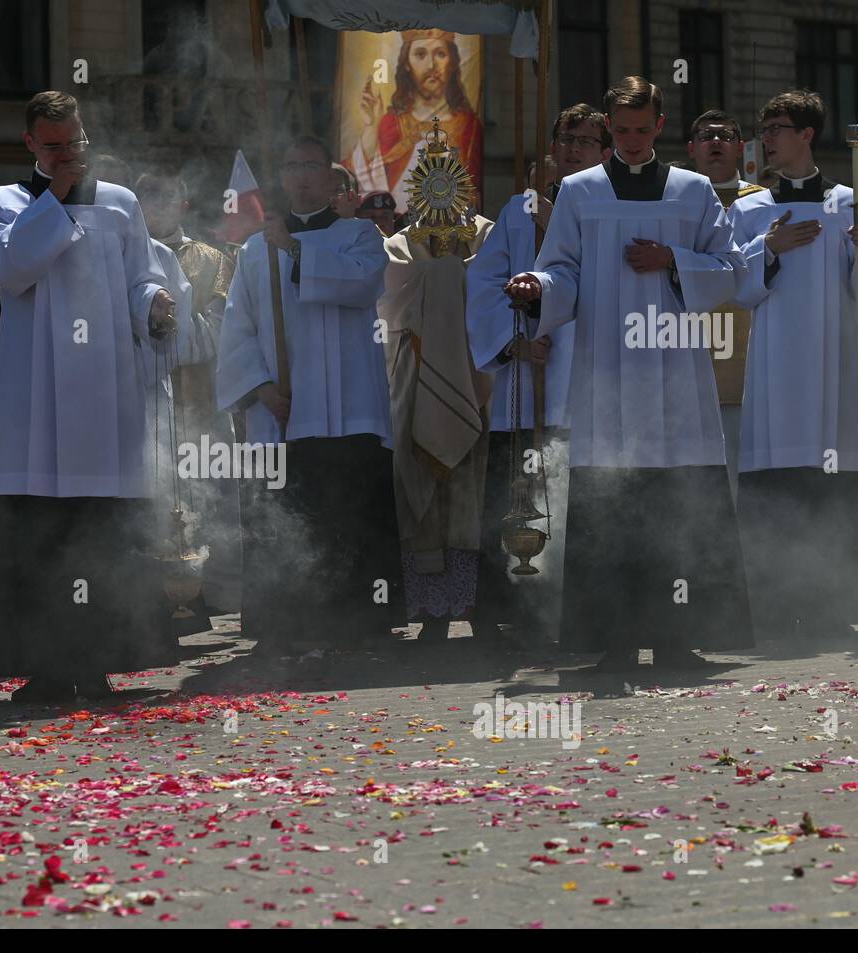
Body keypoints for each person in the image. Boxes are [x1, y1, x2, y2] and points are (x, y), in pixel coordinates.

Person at [505, 77, 751, 671]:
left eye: (643, 130)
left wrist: (673, 260)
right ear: (609, 127)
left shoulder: (693, 191)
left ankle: (676, 638)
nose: (633, 140)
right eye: (621, 130)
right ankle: (613, 639)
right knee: (611, 505)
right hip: (608, 369)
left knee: (678, 503)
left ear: (661, 127)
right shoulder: (580, 190)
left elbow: (730, 269)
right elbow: (561, 267)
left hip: (677, 369)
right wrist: (539, 286)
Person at [0, 90, 179, 703]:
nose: (67, 155)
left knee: (102, 536)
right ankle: (42, 666)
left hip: (105, 397)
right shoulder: (0, 204)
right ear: (31, 143)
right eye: (53, 146)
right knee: (40, 538)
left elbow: (141, 276)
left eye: (75, 143)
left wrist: (155, 304)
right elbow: (9, 270)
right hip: (34, 403)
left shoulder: (120, 203)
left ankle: (98, 663)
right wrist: (57, 199)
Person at [217, 134, 402, 654]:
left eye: (311, 166)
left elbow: (362, 287)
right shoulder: (255, 250)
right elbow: (238, 328)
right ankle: (287, 619)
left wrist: (295, 250)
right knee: (289, 519)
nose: (301, 175)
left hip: (351, 408)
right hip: (285, 410)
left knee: (352, 513)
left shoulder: (358, 236)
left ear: (329, 175)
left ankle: (361, 620)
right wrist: (260, 387)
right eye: (292, 166)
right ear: (281, 176)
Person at [728, 90, 858, 640]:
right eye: (763, 127)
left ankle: (833, 605)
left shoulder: (851, 202)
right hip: (773, 367)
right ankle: (773, 606)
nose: (764, 137)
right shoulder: (749, 209)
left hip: (834, 364)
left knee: (833, 476)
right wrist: (767, 248)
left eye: (776, 127)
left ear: (807, 135)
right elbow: (732, 287)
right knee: (778, 476)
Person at [467, 103, 610, 644]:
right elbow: (484, 283)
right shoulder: (518, 210)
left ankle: (575, 612)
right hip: (527, 383)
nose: (574, 149)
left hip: (585, 378)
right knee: (517, 495)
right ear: (551, 147)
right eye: (566, 138)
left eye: (587, 141)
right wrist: (514, 342)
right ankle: (511, 612)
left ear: (605, 151)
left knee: (581, 499)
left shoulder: (611, 206)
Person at [379, 206, 494, 641]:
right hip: (414, 376)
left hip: (474, 373)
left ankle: (470, 602)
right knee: (418, 488)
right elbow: (388, 295)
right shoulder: (400, 244)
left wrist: (442, 269)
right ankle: (430, 610)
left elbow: (494, 281)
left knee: (470, 491)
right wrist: (446, 271)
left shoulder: (486, 235)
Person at [135, 171, 241, 615]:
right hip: (142, 406)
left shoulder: (212, 259)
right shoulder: (125, 256)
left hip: (198, 403)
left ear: (182, 204)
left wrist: (156, 335)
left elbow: (220, 331)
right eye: (147, 196)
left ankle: (209, 599)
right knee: (148, 503)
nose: (155, 204)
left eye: (165, 196)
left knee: (205, 503)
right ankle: (149, 606)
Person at [687, 109, 765, 495]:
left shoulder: (764, 203)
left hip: (742, 365)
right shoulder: (675, 200)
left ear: (740, 148)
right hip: (684, 359)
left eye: (724, 136)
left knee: (739, 486)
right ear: (691, 148)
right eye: (705, 136)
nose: (715, 142)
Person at [350, 29, 484, 212]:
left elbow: (474, 191)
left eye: (440, 54)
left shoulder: (469, 126)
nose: (431, 65)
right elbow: (357, 184)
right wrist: (371, 128)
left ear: (451, 62)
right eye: (420, 54)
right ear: (406, 63)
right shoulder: (390, 124)